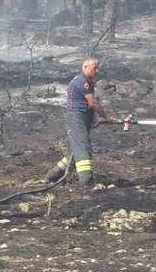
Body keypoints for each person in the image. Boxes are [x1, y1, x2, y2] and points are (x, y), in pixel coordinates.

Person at [45, 58, 118, 187]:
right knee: (83, 148)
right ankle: (86, 182)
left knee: (76, 149)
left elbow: (87, 104)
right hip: (76, 117)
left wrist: (93, 118)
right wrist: (106, 117)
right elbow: (92, 102)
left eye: (97, 68)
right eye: (94, 68)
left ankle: (53, 175)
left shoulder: (87, 81)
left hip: (81, 117)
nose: (97, 70)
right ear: (84, 67)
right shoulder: (82, 81)